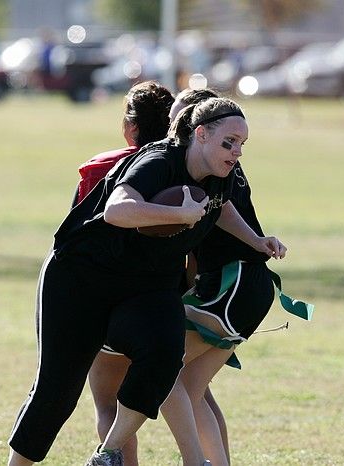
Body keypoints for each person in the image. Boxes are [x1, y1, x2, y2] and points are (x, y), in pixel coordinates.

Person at [7, 96, 285, 466]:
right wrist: (176, 213)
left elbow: (220, 209)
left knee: (165, 353)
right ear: (200, 134)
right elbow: (117, 209)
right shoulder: (159, 160)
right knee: (57, 392)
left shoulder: (221, 176)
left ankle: (107, 455)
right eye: (229, 142)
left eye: (242, 144)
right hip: (80, 279)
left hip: (143, 285)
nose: (236, 152)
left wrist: (257, 241)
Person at [86, 87, 223, 466]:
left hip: (113, 301)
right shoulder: (192, 167)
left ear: (129, 127)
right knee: (196, 394)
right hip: (171, 299)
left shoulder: (106, 167)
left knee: (109, 402)